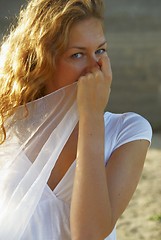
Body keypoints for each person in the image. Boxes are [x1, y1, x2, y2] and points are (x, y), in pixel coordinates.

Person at [0, 0, 152, 239]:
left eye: (100, 50)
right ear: (42, 63)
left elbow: (89, 234)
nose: (95, 68)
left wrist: (91, 114)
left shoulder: (128, 131)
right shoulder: (8, 127)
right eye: (78, 54)